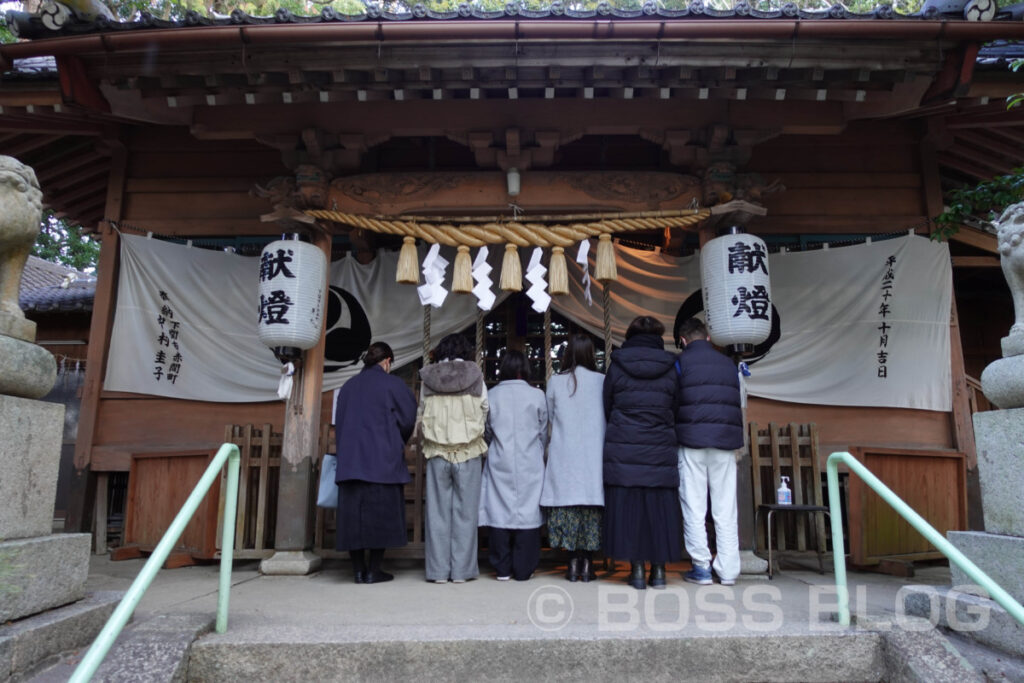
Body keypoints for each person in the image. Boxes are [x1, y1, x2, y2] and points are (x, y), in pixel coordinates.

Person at [602, 316, 682, 590]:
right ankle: (659, 572)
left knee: (631, 512)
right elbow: (676, 405)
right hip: (659, 447)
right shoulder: (671, 367)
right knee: (659, 510)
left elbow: (607, 406)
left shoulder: (618, 365)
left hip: (625, 447)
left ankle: (636, 571)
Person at [333, 341, 417, 584]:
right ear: (387, 361)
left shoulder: (348, 386)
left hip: (351, 462)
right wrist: (396, 441)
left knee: (352, 519)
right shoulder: (393, 384)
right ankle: (374, 570)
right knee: (380, 517)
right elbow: (407, 418)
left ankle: (358, 571)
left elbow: (340, 424)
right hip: (382, 462)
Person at [674, 318, 744, 586]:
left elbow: (674, 399)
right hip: (724, 443)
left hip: (690, 440)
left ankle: (701, 566)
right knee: (725, 507)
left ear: (682, 341)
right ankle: (728, 571)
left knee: (694, 504)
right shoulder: (729, 365)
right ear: (708, 338)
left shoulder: (680, 363)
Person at [419, 333, 489, 583]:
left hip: (437, 451)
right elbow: (485, 409)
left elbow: (422, 411)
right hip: (468, 451)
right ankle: (461, 571)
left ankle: (438, 572)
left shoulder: (428, 378)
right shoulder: (475, 376)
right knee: (466, 513)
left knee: (437, 514)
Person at [540, 334, 606, 582]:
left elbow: (549, 417)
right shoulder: (602, 381)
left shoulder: (556, 382)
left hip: (565, 454)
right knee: (590, 507)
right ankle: (588, 563)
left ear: (567, 354)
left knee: (568, 505)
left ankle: (572, 563)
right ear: (591, 354)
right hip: (593, 454)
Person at [479, 349, 548, 581]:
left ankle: (502, 568)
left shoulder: (493, 395)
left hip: (500, 457)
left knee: (499, 511)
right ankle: (524, 568)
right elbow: (543, 431)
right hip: (530, 461)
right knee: (528, 513)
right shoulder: (537, 395)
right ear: (526, 368)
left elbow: (486, 431)